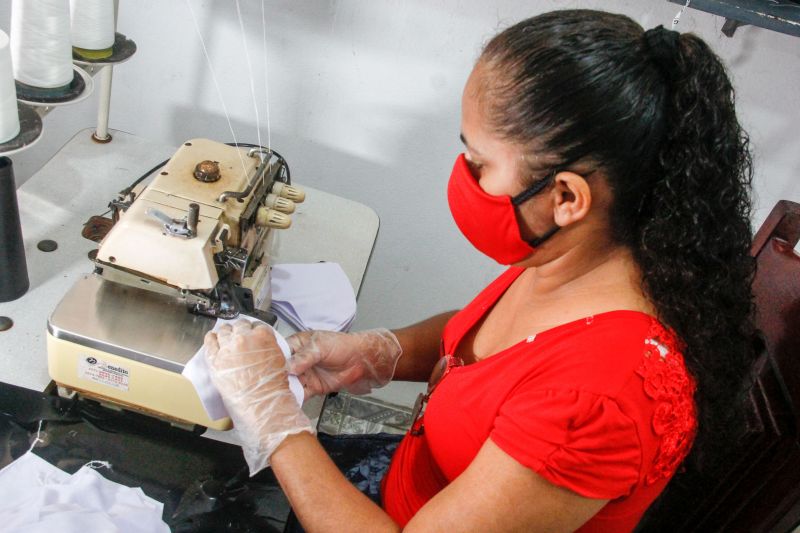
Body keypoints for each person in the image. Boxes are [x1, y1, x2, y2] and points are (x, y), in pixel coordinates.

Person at [204, 9, 755, 532]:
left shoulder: (598, 400)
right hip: (406, 480)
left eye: (479, 163)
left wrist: (275, 423)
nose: (463, 175)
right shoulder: (578, 258)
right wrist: (382, 352)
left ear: (566, 195)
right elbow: (496, 349)